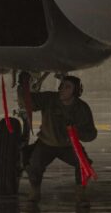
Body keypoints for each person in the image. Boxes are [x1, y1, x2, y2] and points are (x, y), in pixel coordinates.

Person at [21, 74, 97, 205]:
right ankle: (34, 193)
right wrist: (23, 86)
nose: (62, 89)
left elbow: (91, 134)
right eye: (62, 86)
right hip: (46, 143)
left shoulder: (81, 108)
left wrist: (76, 132)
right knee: (34, 166)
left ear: (76, 91)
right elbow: (28, 102)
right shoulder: (50, 99)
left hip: (68, 146)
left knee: (84, 165)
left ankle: (80, 194)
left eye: (67, 87)